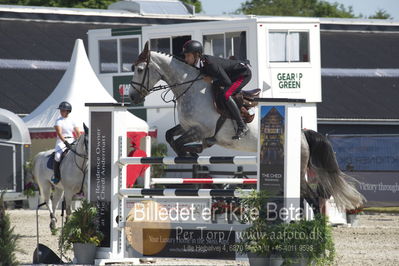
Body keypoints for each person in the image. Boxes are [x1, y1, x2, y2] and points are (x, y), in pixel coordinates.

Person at [182, 40, 252, 139]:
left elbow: (226, 82)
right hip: (231, 75)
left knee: (226, 94)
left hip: (242, 74)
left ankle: (242, 126)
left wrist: (212, 81)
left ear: (196, 55)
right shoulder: (199, 63)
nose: (186, 59)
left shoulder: (210, 64)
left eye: (188, 56)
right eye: (185, 56)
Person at [51, 101, 80, 184]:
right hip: (61, 141)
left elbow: (77, 132)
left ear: (68, 111)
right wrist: (65, 142)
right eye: (60, 110)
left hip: (72, 140)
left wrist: (78, 140)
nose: (61, 112)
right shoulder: (58, 121)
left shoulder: (72, 120)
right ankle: (56, 176)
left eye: (62, 110)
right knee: (57, 156)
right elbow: (59, 133)